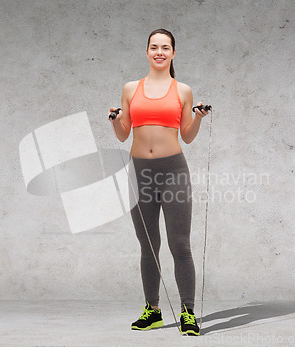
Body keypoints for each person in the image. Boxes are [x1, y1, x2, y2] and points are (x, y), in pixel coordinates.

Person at [109, 28, 209, 336]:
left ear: (173, 53)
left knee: (180, 244)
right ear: (147, 52)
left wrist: (199, 118)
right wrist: (115, 119)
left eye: (165, 47)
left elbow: (187, 136)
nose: (159, 52)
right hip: (140, 171)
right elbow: (124, 133)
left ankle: (188, 313)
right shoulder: (130, 89)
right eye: (154, 47)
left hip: (173, 170)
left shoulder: (182, 91)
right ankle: (152, 310)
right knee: (148, 246)